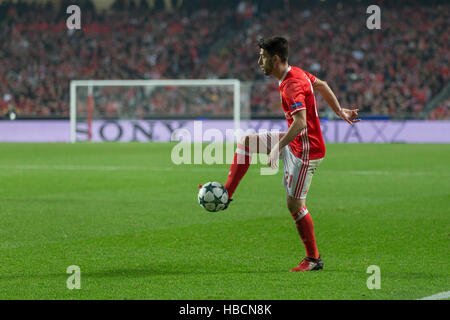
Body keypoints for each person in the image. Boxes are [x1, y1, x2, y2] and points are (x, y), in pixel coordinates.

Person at [222, 36, 359, 271]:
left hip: (307, 150)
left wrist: (278, 147)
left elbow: (301, 123)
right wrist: (339, 110)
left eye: (263, 57)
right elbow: (323, 84)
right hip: (296, 143)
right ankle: (226, 194)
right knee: (247, 142)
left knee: (294, 204)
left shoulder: (292, 84)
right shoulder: (295, 73)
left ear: (275, 59)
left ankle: (313, 259)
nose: (259, 62)